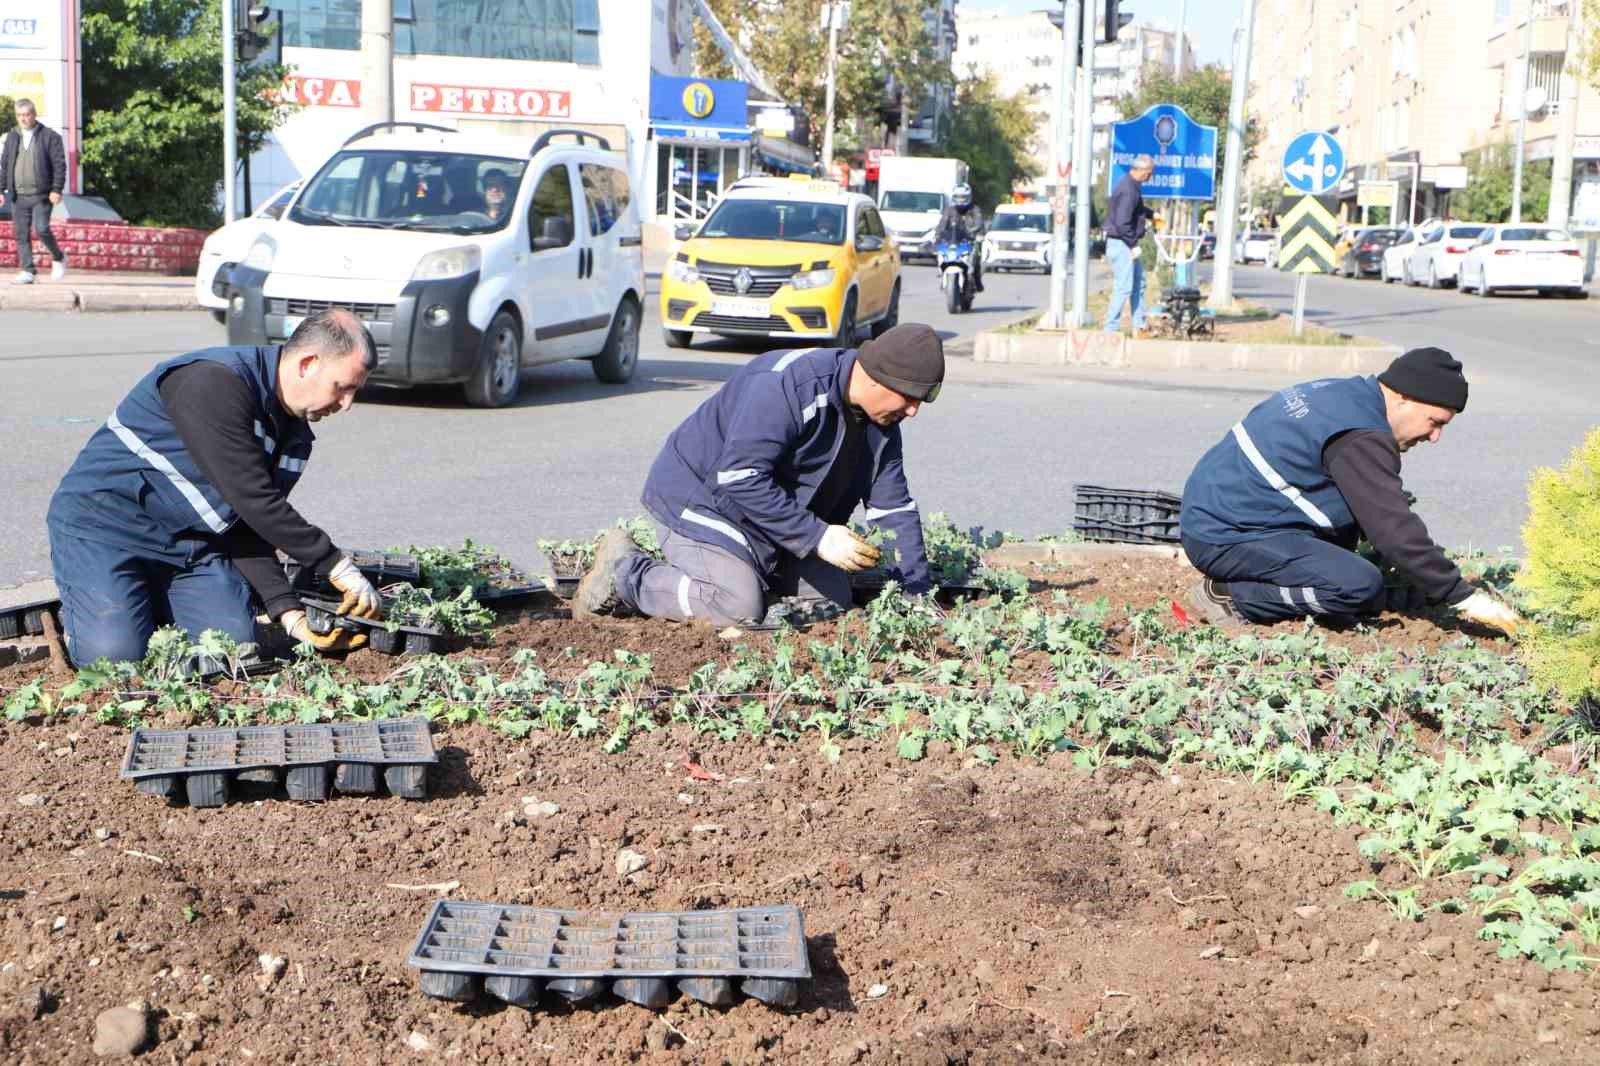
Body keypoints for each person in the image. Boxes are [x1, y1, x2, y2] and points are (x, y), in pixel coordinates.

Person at [46, 309, 386, 666]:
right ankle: (90, 610)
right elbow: (254, 499)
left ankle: (137, 603)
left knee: (230, 652)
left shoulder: (294, 436)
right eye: (343, 387)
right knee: (114, 660)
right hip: (104, 530)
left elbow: (248, 524)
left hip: (190, 547)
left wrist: (289, 614)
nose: (347, 404)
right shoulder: (212, 382)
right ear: (308, 363)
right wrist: (334, 565)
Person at [572, 324, 946, 626]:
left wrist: (917, 593)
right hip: (703, 500)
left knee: (830, 601)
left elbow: (893, 509)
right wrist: (816, 536)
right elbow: (739, 477)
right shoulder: (789, 386)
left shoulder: (882, 425)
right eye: (909, 397)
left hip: (770, 518)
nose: (913, 411)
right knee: (737, 606)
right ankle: (627, 575)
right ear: (877, 378)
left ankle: (746, 576)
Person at [1179, 347, 1523, 637]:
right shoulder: (1361, 435)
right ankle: (1229, 596)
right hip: (1225, 534)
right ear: (1403, 397)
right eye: (1434, 422)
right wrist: (1462, 596)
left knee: (1353, 568)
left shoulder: (1344, 394)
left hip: (1224, 514)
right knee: (1356, 586)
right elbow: (1393, 529)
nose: (1434, 437)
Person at [0, 98, 68, 285]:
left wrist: (56, 189)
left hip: (42, 194)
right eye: (20, 115)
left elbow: (59, 165)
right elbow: (5, 164)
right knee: (21, 233)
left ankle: (59, 257)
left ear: (34, 114)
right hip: (18, 195)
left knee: (42, 228)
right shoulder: (12, 136)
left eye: (27, 114)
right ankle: (28, 271)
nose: (23, 118)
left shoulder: (49, 136)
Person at [1104, 154, 1157, 336]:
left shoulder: (1132, 185)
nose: (1151, 176)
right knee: (1124, 286)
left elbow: (1137, 209)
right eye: (1149, 172)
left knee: (1139, 284)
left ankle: (1139, 326)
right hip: (1122, 243)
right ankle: (1110, 329)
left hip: (1125, 242)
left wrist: (1152, 214)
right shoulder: (1128, 189)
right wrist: (1133, 244)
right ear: (1140, 170)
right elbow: (1122, 222)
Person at [935, 183, 985, 292]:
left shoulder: (974, 209)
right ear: (954, 197)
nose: (961, 200)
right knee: (940, 251)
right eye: (958, 197)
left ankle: (977, 280)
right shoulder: (949, 210)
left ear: (968, 197)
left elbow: (979, 223)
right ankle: (941, 271)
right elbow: (942, 224)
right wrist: (938, 235)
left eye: (963, 197)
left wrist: (975, 233)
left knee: (976, 255)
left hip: (969, 240)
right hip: (953, 241)